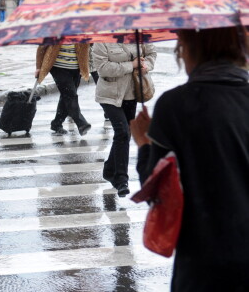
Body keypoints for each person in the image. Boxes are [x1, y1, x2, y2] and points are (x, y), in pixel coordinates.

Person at [130, 28, 248, 290]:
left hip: (204, 261)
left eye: (181, 47)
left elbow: (157, 190)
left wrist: (145, 144)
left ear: (194, 49)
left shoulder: (176, 105)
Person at [92, 42, 156, 197]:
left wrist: (144, 65)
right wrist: (131, 64)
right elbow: (102, 68)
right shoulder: (101, 42)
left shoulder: (138, 34)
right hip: (109, 95)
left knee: (125, 134)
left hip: (132, 93)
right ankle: (121, 179)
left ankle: (109, 169)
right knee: (122, 132)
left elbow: (151, 54)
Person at [35, 43, 92, 136]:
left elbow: (90, 44)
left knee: (67, 96)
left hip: (76, 68)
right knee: (70, 95)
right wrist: (38, 67)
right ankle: (81, 123)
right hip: (58, 67)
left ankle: (56, 123)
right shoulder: (56, 30)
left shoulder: (81, 32)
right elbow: (41, 47)